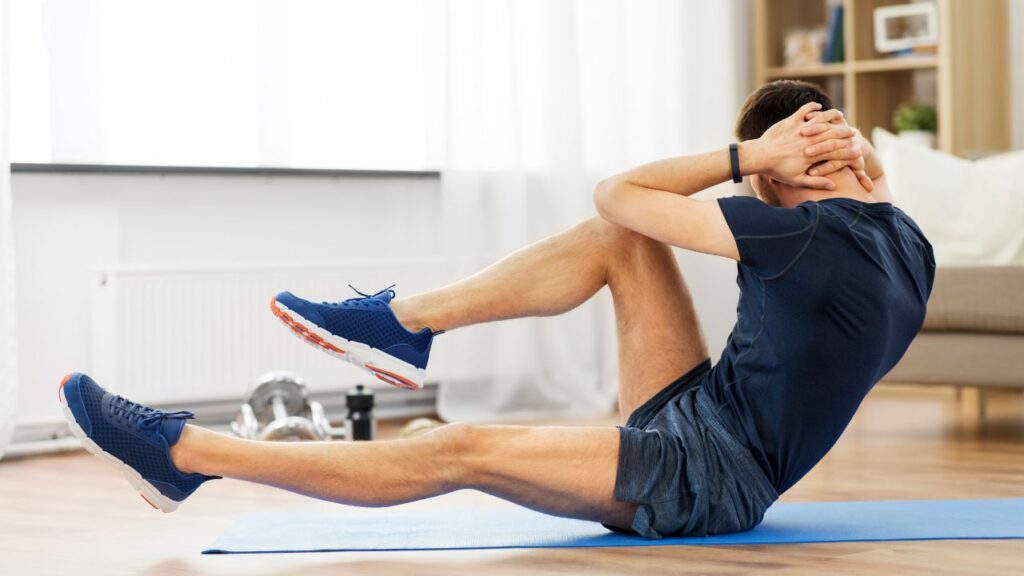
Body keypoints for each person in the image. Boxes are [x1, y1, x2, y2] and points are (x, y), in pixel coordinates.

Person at [59, 80, 934, 538]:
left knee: (456, 447)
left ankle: (186, 454)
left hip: (710, 476)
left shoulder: (801, 236)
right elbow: (622, 217)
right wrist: (790, 157)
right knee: (618, 242)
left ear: (779, 193)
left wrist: (747, 154)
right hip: (700, 415)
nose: (832, 143)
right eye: (820, 132)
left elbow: (620, 187)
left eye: (825, 136)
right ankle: (405, 328)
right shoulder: (907, 242)